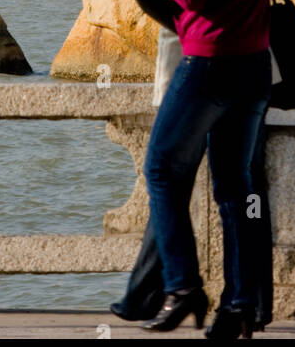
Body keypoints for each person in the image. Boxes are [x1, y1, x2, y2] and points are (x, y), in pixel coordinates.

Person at [140, 0, 275, 339]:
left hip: (210, 63)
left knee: (161, 171)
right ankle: (238, 305)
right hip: (255, 64)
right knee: (235, 187)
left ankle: (183, 287)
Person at [109, 27, 274, 328]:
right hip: (250, 67)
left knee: (170, 181)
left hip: (197, 71)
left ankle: (153, 291)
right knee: (247, 193)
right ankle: (251, 301)